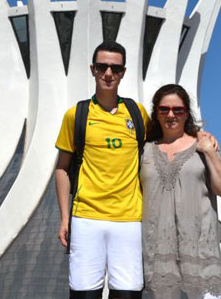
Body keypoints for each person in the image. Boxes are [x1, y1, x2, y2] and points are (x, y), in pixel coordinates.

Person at [55, 41, 150, 299]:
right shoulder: (76, 115)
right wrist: (65, 217)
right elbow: (62, 169)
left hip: (130, 219)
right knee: (85, 295)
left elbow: (166, 140)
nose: (108, 74)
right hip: (87, 218)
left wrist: (198, 134)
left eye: (115, 68)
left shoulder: (137, 114)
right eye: (102, 67)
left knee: (128, 295)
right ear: (92, 69)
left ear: (124, 72)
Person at [141, 84, 221, 299]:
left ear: (186, 113)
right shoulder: (144, 150)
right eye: (164, 109)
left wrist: (208, 151)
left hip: (201, 252)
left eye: (178, 110)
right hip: (159, 254)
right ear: (156, 112)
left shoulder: (203, 147)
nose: (171, 115)